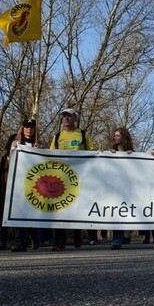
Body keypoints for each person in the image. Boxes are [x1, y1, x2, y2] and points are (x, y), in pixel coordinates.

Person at [50, 108, 94, 251]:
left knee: (76, 208)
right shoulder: (57, 136)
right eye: (64, 116)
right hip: (61, 178)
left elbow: (92, 153)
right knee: (59, 210)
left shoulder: (82, 134)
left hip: (79, 178)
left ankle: (77, 236)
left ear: (75, 118)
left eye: (69, 116)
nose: (66, 119)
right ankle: (59, 241)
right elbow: (50, 154)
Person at [9, 118, 42, 252]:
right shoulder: (16, 143)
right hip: (19, 182)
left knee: (32, 213)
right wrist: (13, 148)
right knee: (19, 213)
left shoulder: (38, 144)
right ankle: (19, 242)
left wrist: (40, 150)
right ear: (23, 129)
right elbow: (10, 160)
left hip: (35, 184)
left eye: (32, 127)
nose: (29, 129)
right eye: (27, 127)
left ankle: (34, 238)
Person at [108, 127, 134, 250]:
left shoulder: (132, 151)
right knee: (115, 212)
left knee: (125, 211)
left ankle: (126, 234)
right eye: (115, 135)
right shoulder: (111, 150)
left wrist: (132, 155)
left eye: (118, 135)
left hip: (128, 187)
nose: (115, 138)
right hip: (114, 187)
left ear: (123, 137)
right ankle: (117, 239)